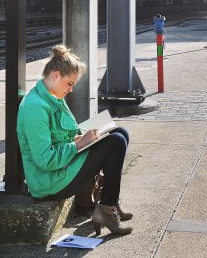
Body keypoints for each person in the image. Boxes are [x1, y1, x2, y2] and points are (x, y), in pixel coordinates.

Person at [17, 45, 133, 236]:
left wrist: (81, 137)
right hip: (49, 182)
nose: (71, 90)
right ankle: (107, 209)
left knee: (120, 132)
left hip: (63, 167)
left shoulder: (51, 95)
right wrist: (80, 143)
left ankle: (108, 202)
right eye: (70, 83)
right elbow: (44, 159)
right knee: (116, 142)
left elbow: (62, 135)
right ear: (56, 75)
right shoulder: (35, 108)